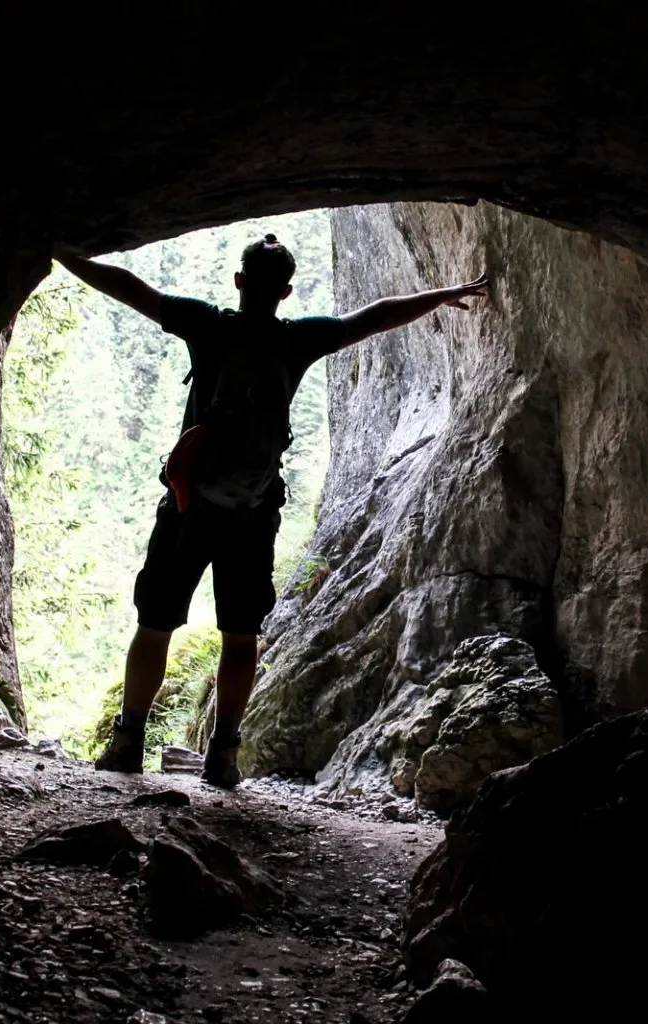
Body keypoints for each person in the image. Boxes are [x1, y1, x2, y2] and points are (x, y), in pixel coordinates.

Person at [56, 234, 488, 787]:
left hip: (188, 508)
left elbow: (132, 289)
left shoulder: (208, 325)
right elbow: (375, 317)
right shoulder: (298, 340)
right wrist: (442, 292)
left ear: (240, 282)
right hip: (252, 515)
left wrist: (67, 254)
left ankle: (127, 742)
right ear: (285, 291)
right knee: (241, 637)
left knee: (155, 623)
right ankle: (224, 756)